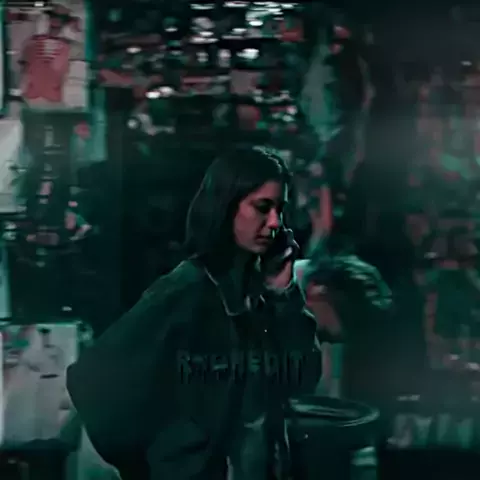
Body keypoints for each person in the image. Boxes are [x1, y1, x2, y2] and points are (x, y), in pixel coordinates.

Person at [66, 146, 330, 479]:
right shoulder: (185, 291)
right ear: (226, 205)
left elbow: (302, 379)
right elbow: (93, 384)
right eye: (262, 207)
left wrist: (283, 293)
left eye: (280, 209)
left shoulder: (263, 292)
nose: (275, 222)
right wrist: (168, 455)